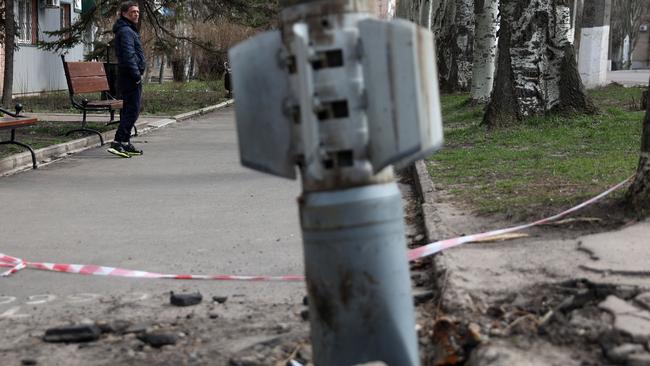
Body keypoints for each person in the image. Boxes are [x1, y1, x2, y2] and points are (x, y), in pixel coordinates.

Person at [107, 1, 146, 158]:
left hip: (128, 75)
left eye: (137, 11)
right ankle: (118, 142)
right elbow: (129, 55)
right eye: (132, 12)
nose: (136, 14)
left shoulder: (128, 30)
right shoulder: (126, 31)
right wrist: (136, 75)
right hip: (130, 76)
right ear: (124, 14)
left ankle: (124, 143)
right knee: (132, 111)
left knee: (129, 110)